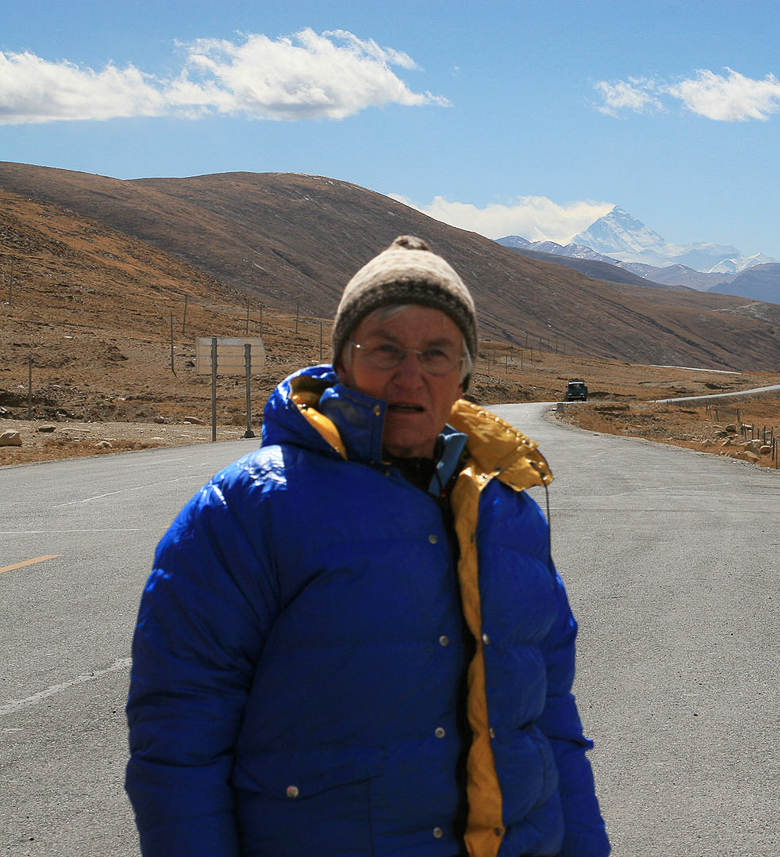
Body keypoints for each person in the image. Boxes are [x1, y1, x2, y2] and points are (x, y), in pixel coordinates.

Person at [125, 236, 610, 857]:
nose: (411, 376)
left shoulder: (507, 515)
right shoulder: (250, 507)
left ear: (462, 374)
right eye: (385, 349)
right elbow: (180, 735)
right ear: (342, 362)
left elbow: (550, 724)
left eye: (437, 353)